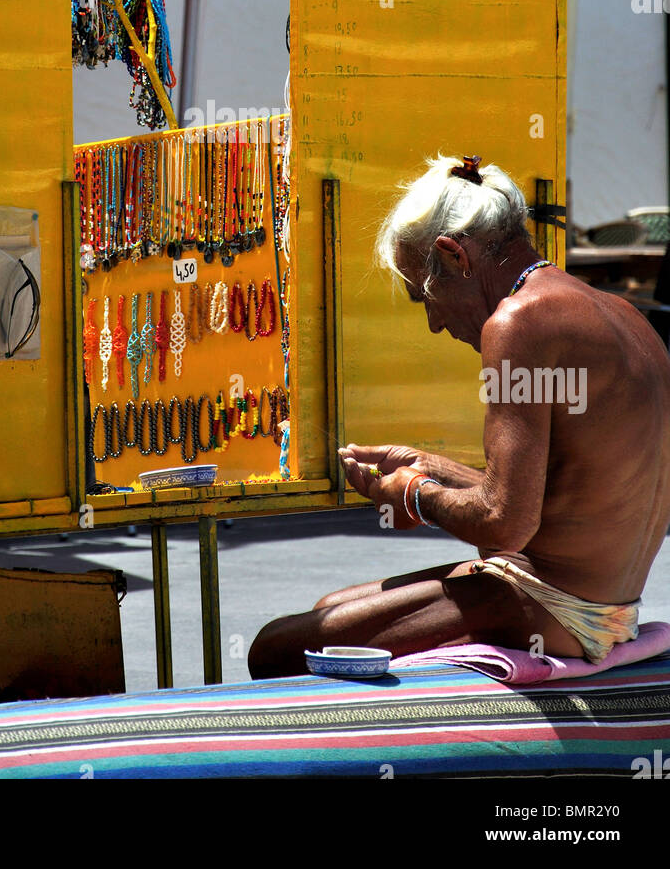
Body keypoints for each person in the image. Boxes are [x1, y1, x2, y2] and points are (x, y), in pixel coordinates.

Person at [248, 155, 670, 679]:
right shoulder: (627, 317)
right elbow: (553, 503)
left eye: (426, 295)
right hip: (609, 604)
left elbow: (506, 524)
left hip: (557, 609)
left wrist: (411, 495)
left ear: (454, 256)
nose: (434, 322)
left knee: (272, 648)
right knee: (328, 611)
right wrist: (428, 465)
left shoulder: (519, 322)